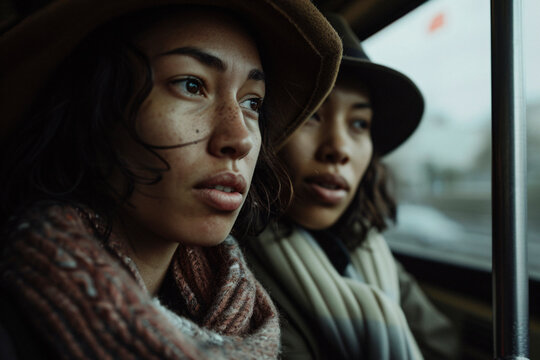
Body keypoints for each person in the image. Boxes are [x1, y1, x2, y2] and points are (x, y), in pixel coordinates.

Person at [0, 1, 342, 359]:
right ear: (92, 108)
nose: (239, 139)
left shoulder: (248, 324)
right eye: (192, 85)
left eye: (253, 103)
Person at [245, 14, 459, 360]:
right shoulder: (230, 267)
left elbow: (443, 347)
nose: (339, 148)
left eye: (359, 123)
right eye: (311, 114)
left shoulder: (367, 249)